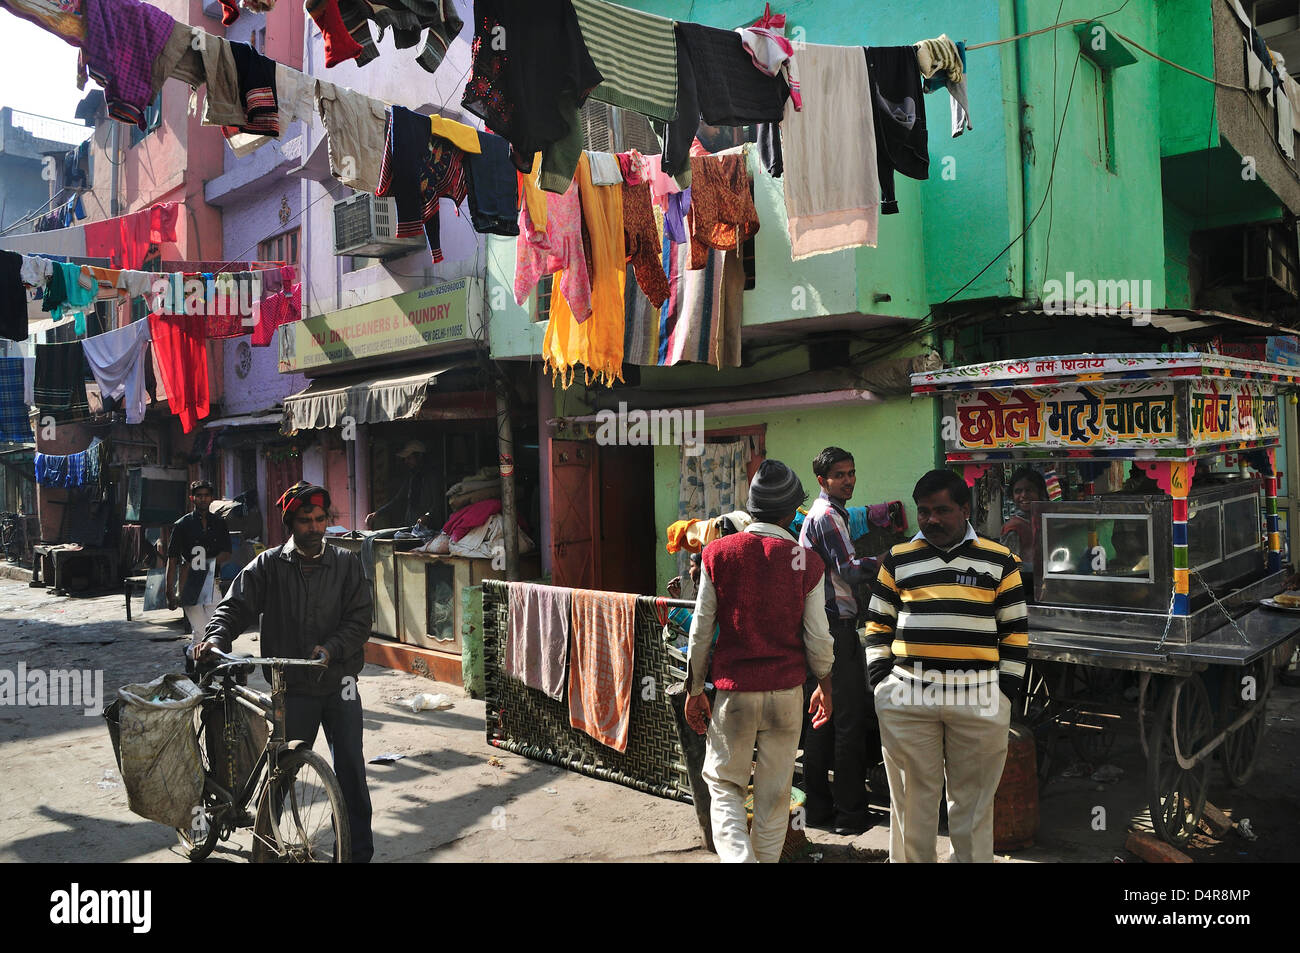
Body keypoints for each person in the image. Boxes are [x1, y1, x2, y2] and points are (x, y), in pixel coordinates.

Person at [193, 481, 376, 863]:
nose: (314, 527)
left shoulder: (345, 563)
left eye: (320, 519)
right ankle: (269, 849)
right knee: (281, 774)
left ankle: (358, 854)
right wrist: (215, 638)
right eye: (306, 520)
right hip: (292, 687)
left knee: (351, 772)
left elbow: (361, 620)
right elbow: (234, 607)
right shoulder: (268, 564)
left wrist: (333, 647)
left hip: (340, 683)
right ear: (291, 522)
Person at [863, 469, 1028, 863]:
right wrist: (880, 681)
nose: (931, 520)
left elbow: (1016, 629)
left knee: (972, 805)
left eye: (942, 511)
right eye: (924, 512)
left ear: (964, 510)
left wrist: (1005, 693)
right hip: (907, 695)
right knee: (910, 803)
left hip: (980, 698)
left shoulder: (999, 559)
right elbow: (876, 622)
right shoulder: (898, 559)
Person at [684, 460, 834, 863]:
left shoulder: (718, 554)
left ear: (752, 509)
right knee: (774, 794)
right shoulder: (807, 562)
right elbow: (818, 637)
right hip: (787, 695)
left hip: (734, 695)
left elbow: (700, 633)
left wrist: (695, 689)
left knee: (725, 786)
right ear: (790, 512)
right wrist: (825, 684)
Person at [797, 446, 878, 834]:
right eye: (840, 475)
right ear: (822, 481)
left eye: (851, 472)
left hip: (818, 628)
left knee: (821, 719)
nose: (848, 480)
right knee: (848, 719)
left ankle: (817, 810)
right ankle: (851, 814)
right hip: (834, 629)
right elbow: (848, 569)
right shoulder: (828, 517)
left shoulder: (824, 515)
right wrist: (890, 561)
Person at [166, 480, 232, 641]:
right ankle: (199, 664)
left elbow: (227, 553)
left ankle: (191, 655)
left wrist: (205, 562)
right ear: (192, 498)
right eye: (199, 496)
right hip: (189, 583)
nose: (203, 499)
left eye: (206, 495)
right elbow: (172, 559)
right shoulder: (182, 525)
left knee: (215, 629)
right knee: (202, 630)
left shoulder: (219, 523)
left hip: (212, 583)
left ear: (211, 498)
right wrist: (169, 593)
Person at [365, 439, 443, 530]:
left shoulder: (432, 476)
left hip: (430, 528)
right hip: (411, 525)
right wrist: (378, 513)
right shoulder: (411, 477)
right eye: (405, 459)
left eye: (409, 458)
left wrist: (427, 516)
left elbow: (438, 503)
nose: (406, 461)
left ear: (420, 456)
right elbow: (398, 499)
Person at [1000, 466, 1047, 597]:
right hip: (1024, 588)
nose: (1023, 495)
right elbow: (1010, 566)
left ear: (1040, 493)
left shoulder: (1045, 520)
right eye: (1018, 491)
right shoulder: (1013, 527)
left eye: (1029, 490)